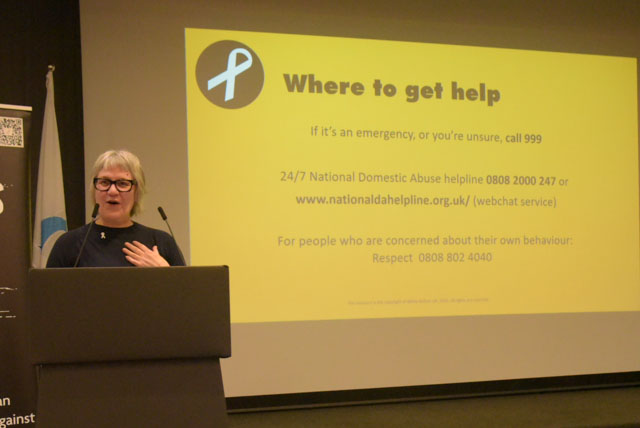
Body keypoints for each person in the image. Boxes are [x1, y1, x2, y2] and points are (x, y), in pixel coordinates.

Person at [47, 150, 185, 267]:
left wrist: (166, 273)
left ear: (137, 192)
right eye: (104, 182)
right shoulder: (69, 244)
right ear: (94, 190)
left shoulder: (161, 242)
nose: (112, 191)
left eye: (123, 183)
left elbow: (187, 290)